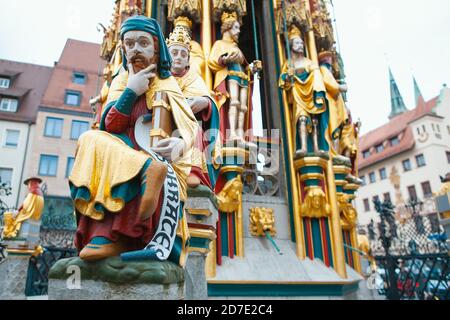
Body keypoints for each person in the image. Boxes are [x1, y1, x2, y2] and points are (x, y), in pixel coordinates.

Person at [68, 16, 198, 267]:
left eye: (142, 43)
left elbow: (190, 127)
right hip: (125, 154)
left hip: (156, 156)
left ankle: (119, 235)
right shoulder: (121, 80)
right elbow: (109, 125)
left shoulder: (167, 83)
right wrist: (132, 90)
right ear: (123, 49)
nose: (135, 49)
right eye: (129, 44)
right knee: (89, 139)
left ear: (156, 48)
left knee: (118, 159)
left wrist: (180, 144)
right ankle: (107, 237)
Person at [167, 24, 220, 189]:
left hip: (185, 128)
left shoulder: (193, 78)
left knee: (195, 128)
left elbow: (208, 100)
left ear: (188, 59)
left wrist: (205, 102)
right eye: (174, 53)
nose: (179, 57)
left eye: (184, 54)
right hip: (161, 124)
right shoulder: (159, 77)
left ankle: (194, 171)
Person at [279, 26, 328, 158]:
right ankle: (304, 147)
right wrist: (289, 77)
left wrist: (317, 93)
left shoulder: (308, 61)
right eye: (297, 43)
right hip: (298, 93)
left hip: (310, 92)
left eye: (301, 43)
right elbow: (282, 81)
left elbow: (315, 71)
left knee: (315, 121)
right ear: (291, 45)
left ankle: (317, 147)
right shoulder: (288, 63)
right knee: (301, 119)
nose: (300, 45)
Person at [208, 12, 253, 143]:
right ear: (228, 27)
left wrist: (252, 68)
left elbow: (244, 65)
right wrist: (224, 59)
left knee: (243, 106)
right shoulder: (219, 44)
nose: (238, 31)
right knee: (234, 102)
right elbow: (212, 61)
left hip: (242, 77)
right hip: (231, 76)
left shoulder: (236, 47)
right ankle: (232, 132)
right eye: (236, 28)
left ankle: (240, 133)